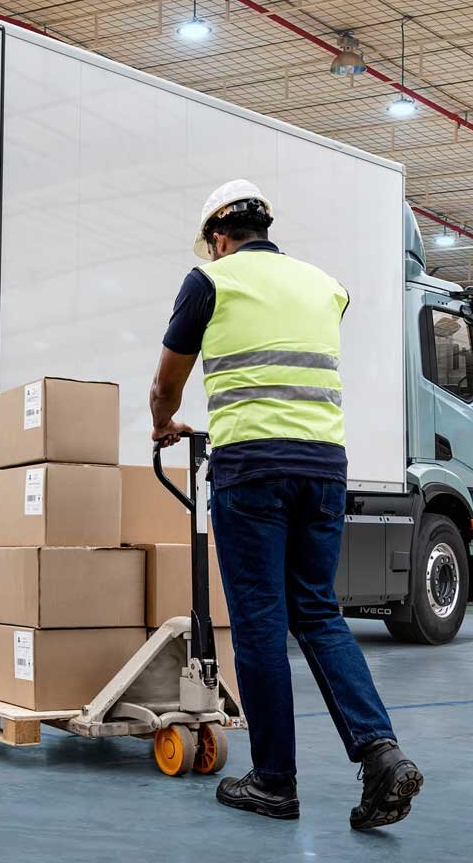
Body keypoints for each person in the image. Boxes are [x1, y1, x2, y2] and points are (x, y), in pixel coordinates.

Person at [149, 179, 422, 829]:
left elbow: (167, 382)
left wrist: (163, 425)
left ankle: (274, 781)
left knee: (260, 623)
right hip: (323, 469)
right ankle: (381, 753)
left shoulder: (209, 282)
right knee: (319, 613)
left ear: (219, 237)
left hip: (252, 472)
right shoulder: (324, 285)